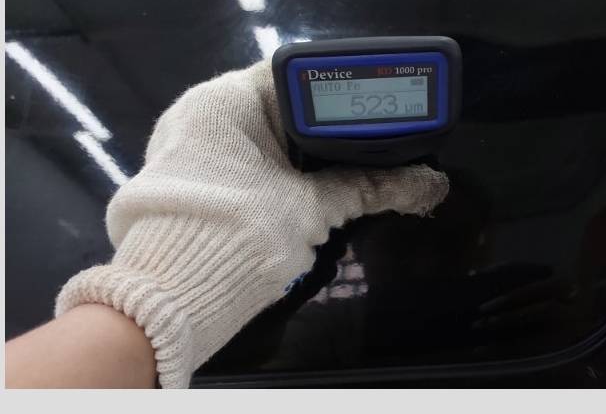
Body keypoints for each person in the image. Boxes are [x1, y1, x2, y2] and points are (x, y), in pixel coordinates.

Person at [5, 59, 449, 389]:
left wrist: (160, 297)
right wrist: (169, 292)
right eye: (406, 247)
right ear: (368, 248)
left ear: (479, 244)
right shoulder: (327, 328)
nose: (424, 261)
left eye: (452, 241)